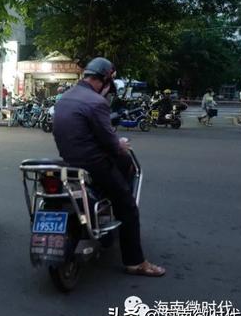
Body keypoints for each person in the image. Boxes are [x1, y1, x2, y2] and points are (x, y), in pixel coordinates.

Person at [53, 57, 165, 277]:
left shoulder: (63, 99)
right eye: (108, 85)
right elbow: (110, 143)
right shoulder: (96, 102)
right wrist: (120, 143)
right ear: (103, 80)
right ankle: (135, 262)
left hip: (69, 161)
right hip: (95, 165)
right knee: (128, 206)